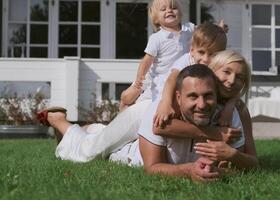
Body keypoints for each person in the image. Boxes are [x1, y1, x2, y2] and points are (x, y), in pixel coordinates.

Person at [36, 23, 227, 162]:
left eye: (213, 54)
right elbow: (171, 80)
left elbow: (230, 88)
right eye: (202, 52)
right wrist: (166, 103)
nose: (206, 59)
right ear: (192, 50)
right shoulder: (187, 61)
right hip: (146, 112)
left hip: (152, 113)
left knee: (111, 138)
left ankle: (93, 129)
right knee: (92, 151)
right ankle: (58, 120)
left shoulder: (216, 70)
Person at [136, 50, 257, 171]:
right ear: (212, 71)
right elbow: (159, 127)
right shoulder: (173, 98)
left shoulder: (238, 110)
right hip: (142, 108)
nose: (231, 80)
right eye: (226, 72)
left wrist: (230, 155)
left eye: (240, 77)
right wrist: (216, 133)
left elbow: (248, 160)